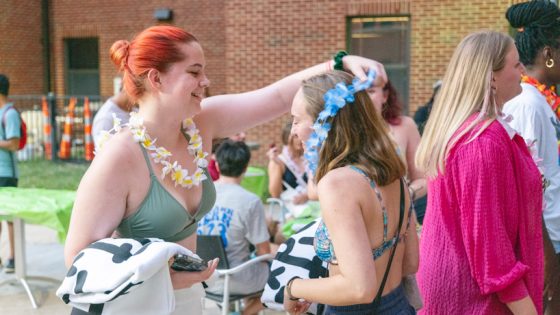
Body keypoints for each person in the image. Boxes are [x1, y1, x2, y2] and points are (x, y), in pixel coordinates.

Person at [63, 25, 386, 314]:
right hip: (133, 306)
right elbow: (78, 259)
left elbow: (275, 97)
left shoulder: (201, 123)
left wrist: (338, 65)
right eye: (194, 72)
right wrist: (162, 278)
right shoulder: (119, 157)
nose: (206, 81)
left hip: (187, 301)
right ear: (156, 78)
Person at [415, 30, 543, 314]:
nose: (523, 69)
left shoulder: (480, 132)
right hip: (472, 299)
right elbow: (491, 253)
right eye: (516, 64)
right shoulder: (481, 142)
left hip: (468, 287)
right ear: (491, 76)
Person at [283, 70, 418, 314]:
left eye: (296, 120)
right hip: (398, 305)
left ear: (324, 123)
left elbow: (359, 289)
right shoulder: (393, 172)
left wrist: (294, 287)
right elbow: (410, 262)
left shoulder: (337, 184)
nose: (293, 131)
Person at [504, 2, 560, 314]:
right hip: (545, 243)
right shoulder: (527, 103)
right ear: (549, 53)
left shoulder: (542, 100)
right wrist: (548, 257)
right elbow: (528, 187)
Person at [197, 140, 271, 315]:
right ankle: (246, 313)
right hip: (235, 278)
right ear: (246, 167)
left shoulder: (201, 193)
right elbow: (264, 251)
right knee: (283, 276)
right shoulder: (250, 201)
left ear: (218, 164)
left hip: (201, 278)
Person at [367, 80, 427, 223]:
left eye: (371, 91)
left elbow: (423, 179)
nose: (365, 97)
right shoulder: (343, 131)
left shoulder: (405, 126)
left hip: (399, 215)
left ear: (385, 95)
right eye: (358, 91)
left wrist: (407, 194)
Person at [0, 74, 20, 274]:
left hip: (6, 173)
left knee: (10, 217)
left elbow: (13, 144)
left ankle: (13, 257)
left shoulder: (9, 113)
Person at [267, 122, 308, 214]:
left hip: (313, 207)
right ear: (287, 139)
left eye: (301, 135)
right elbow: (275, 194)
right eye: (295, 136)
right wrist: (275, 163)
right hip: (291, 212)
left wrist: (307, 196)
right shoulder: (279, 161)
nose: (299, 139)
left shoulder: (310, 157)